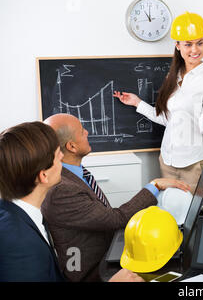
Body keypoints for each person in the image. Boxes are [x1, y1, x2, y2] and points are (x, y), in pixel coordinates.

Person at [41, 113, 190, 282]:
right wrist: (154, 185)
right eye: (82, 131)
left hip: (107, 249)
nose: (88, 132)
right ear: (72, 146)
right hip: (93, 271)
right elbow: (115, 218)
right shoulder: (62, 190)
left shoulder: (74, 174)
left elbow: (107, 216)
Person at [0, 121, 143, 282]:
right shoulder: (21, 246)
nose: (62, 156)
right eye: (57, 157)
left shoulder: (15, 213)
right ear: (43, 176)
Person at [114, 12, 203, 185]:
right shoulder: (172, 77)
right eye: (188, 44)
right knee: (171, 211)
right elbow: (168, 119)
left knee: (201, 211)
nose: (195, 49)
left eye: (200, 43)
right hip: (167, 161)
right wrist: (137, 103)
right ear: (178, 45)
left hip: (197, 163)